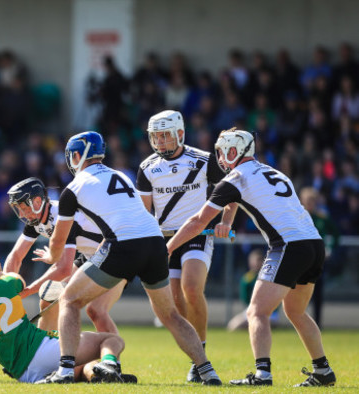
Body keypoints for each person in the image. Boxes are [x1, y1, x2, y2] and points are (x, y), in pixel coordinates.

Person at [33, 131, 221, 385]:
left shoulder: (73, 188)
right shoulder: (120, 174)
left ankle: (65, 371)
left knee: (69, 300)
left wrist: (51, 257)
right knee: (170, 315)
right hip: (155, 242)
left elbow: (57, 241)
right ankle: (207, 371)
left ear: (77, 156)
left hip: (123, 244)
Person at [167, 127, 336, 387]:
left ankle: (262, 375)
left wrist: (166, 248)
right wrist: (227, 220)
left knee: (256, 312)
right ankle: (323, 371)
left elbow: (198, 221)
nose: (220, 158)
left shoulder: (235, 177)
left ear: (234, 151)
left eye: (223, 152)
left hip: (287, 246)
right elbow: (234, 201)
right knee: (295, 311)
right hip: (314, 244)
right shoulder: (273, 171)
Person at [137, 110, 237, 382]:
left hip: (198, 234)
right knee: (175, 304)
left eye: (165, 136)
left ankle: (201, 349)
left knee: (191, 288)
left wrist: (226, 221)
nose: (160, 142)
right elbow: (145, 212)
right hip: (163, 240)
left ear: (180, 134)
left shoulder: (204, 160)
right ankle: (197, 358)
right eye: (155, 137)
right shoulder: (147, 167)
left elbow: (232, 193)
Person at [0, 252, 136, 383]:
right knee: (111, 340)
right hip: (43, 351)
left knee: (82, 367)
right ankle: (112, 365)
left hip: (24, 374)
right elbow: (19, 281)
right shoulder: (6, 284)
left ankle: (98, 376)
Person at [5, 177, 125, 333]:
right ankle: (45, 349)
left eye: (23, 207)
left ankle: (111, 356)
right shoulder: (35, 220)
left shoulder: (63, 217)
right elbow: (15, 256)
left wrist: (27, 291)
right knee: (48, 300)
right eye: (18, 208)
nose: (22, 213)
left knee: (96, 310)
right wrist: (5, 286)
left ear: (37, 201)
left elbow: (64, 269)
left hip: (116, 254)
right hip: (91, 256)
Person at [299, 187, 339, 328]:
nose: (310, 204)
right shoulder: (297, 218)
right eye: (307, 201)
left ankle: (317, 324)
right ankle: (300, 323)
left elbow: (335, 234)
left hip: (318, 261)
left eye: (312, 201)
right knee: (299, 293)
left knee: (317, 293)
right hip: (302, 261)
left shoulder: (321, 218)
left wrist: (329, 249)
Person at [227, 249, 280, 331]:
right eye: (255, 261)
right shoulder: (247, 279)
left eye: (259, 260)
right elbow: (245, 299)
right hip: (252, 310)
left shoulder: (270, 276)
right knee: (233, 326)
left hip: (270, 312)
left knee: (263, 323)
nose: (257, 263)